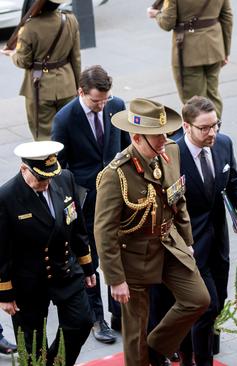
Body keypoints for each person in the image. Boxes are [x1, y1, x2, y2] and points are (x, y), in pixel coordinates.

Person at [94, 98, 210, 366]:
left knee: (199, 299)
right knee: (135, 331)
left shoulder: (170, 151)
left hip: (169, 243)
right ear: (136, 138)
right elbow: (104, 231)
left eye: (164, 133)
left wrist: (188, 241)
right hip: (134, 255)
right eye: (156, 136)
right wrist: (115, 279)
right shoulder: (116, 174)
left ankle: (156, 347)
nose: (164, 140)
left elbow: (178, 199)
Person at [51, 65, 131, 343]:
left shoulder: (117, 106)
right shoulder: (65, 118)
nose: (102, 105)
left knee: (118, 252)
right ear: (81, 92)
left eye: (105, 100)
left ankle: (119, 313)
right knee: (90, 260)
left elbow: (126, 147)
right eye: (96, 101)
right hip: (85, 201)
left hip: (117, 195)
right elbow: (58, 171)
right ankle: (97, 319)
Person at [0, 140, 95, 365]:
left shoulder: (64, 179)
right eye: (41, 177)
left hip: (65, 269)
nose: (47, 182)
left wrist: (87, 264)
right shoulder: (6, 197)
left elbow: (77, 225)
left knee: (81, 323)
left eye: (50, 176)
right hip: (29, 281)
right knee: (33, 345)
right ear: (24, 169)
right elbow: (1, 250)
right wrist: (5, 292)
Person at [176, 95, 237, 365]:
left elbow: (234, 180)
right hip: (189, 245)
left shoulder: (223, 143)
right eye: (205, 128)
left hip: (218, 240)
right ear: (186, 127)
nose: (213, 132)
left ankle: (186, 353)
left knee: (217, 301)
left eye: (215, 125)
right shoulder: (173, 155)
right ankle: (196, 360)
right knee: (206, 306)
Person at [1, 0, 81, 141]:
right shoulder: (70, 19)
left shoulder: (29, 27)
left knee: (44, 136)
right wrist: (78, 85)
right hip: (67, 85)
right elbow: (76, 58)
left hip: (40, 88)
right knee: (70, 132)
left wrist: (12, 54)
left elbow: (24, 61)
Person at [147, 0, 233, 118]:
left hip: (188, 52)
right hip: (215, 47)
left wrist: (156, 14)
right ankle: (215, 130)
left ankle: (205, 133)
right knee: (212, 94)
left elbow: (168, 23)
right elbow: (227, 17)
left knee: (194, 103)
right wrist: (226, 51)